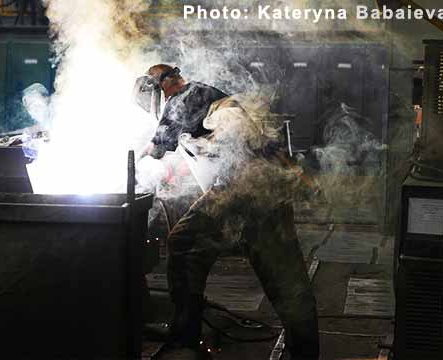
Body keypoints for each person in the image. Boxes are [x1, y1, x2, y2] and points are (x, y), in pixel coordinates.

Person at [134, 64, 319, 360]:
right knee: (282, 272)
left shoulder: (187, 94)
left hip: (243, 185)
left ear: (164, 84)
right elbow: (260, 148)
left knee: (183, 244)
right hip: (266, 190)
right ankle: (305, 351)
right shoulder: (211, 103)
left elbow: (157, 147)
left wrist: (128, 166)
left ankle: (185, 341)